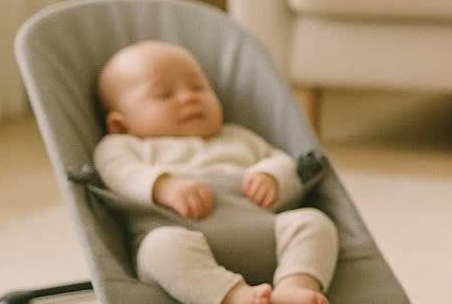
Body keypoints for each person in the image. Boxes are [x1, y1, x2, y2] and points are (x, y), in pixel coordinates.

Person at [93, 40, 337, 304]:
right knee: (159, 248)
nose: (188, 97)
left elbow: (286, 163)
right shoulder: (124, 145)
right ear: (120, 124)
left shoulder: (238, 137)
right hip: (182, 238)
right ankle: (232, 296)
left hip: (263, 233)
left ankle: (293, 286)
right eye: (163, 94)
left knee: (314, 223)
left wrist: (271, 176)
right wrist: (164, 186)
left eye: (198, 87)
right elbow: (117, 172)